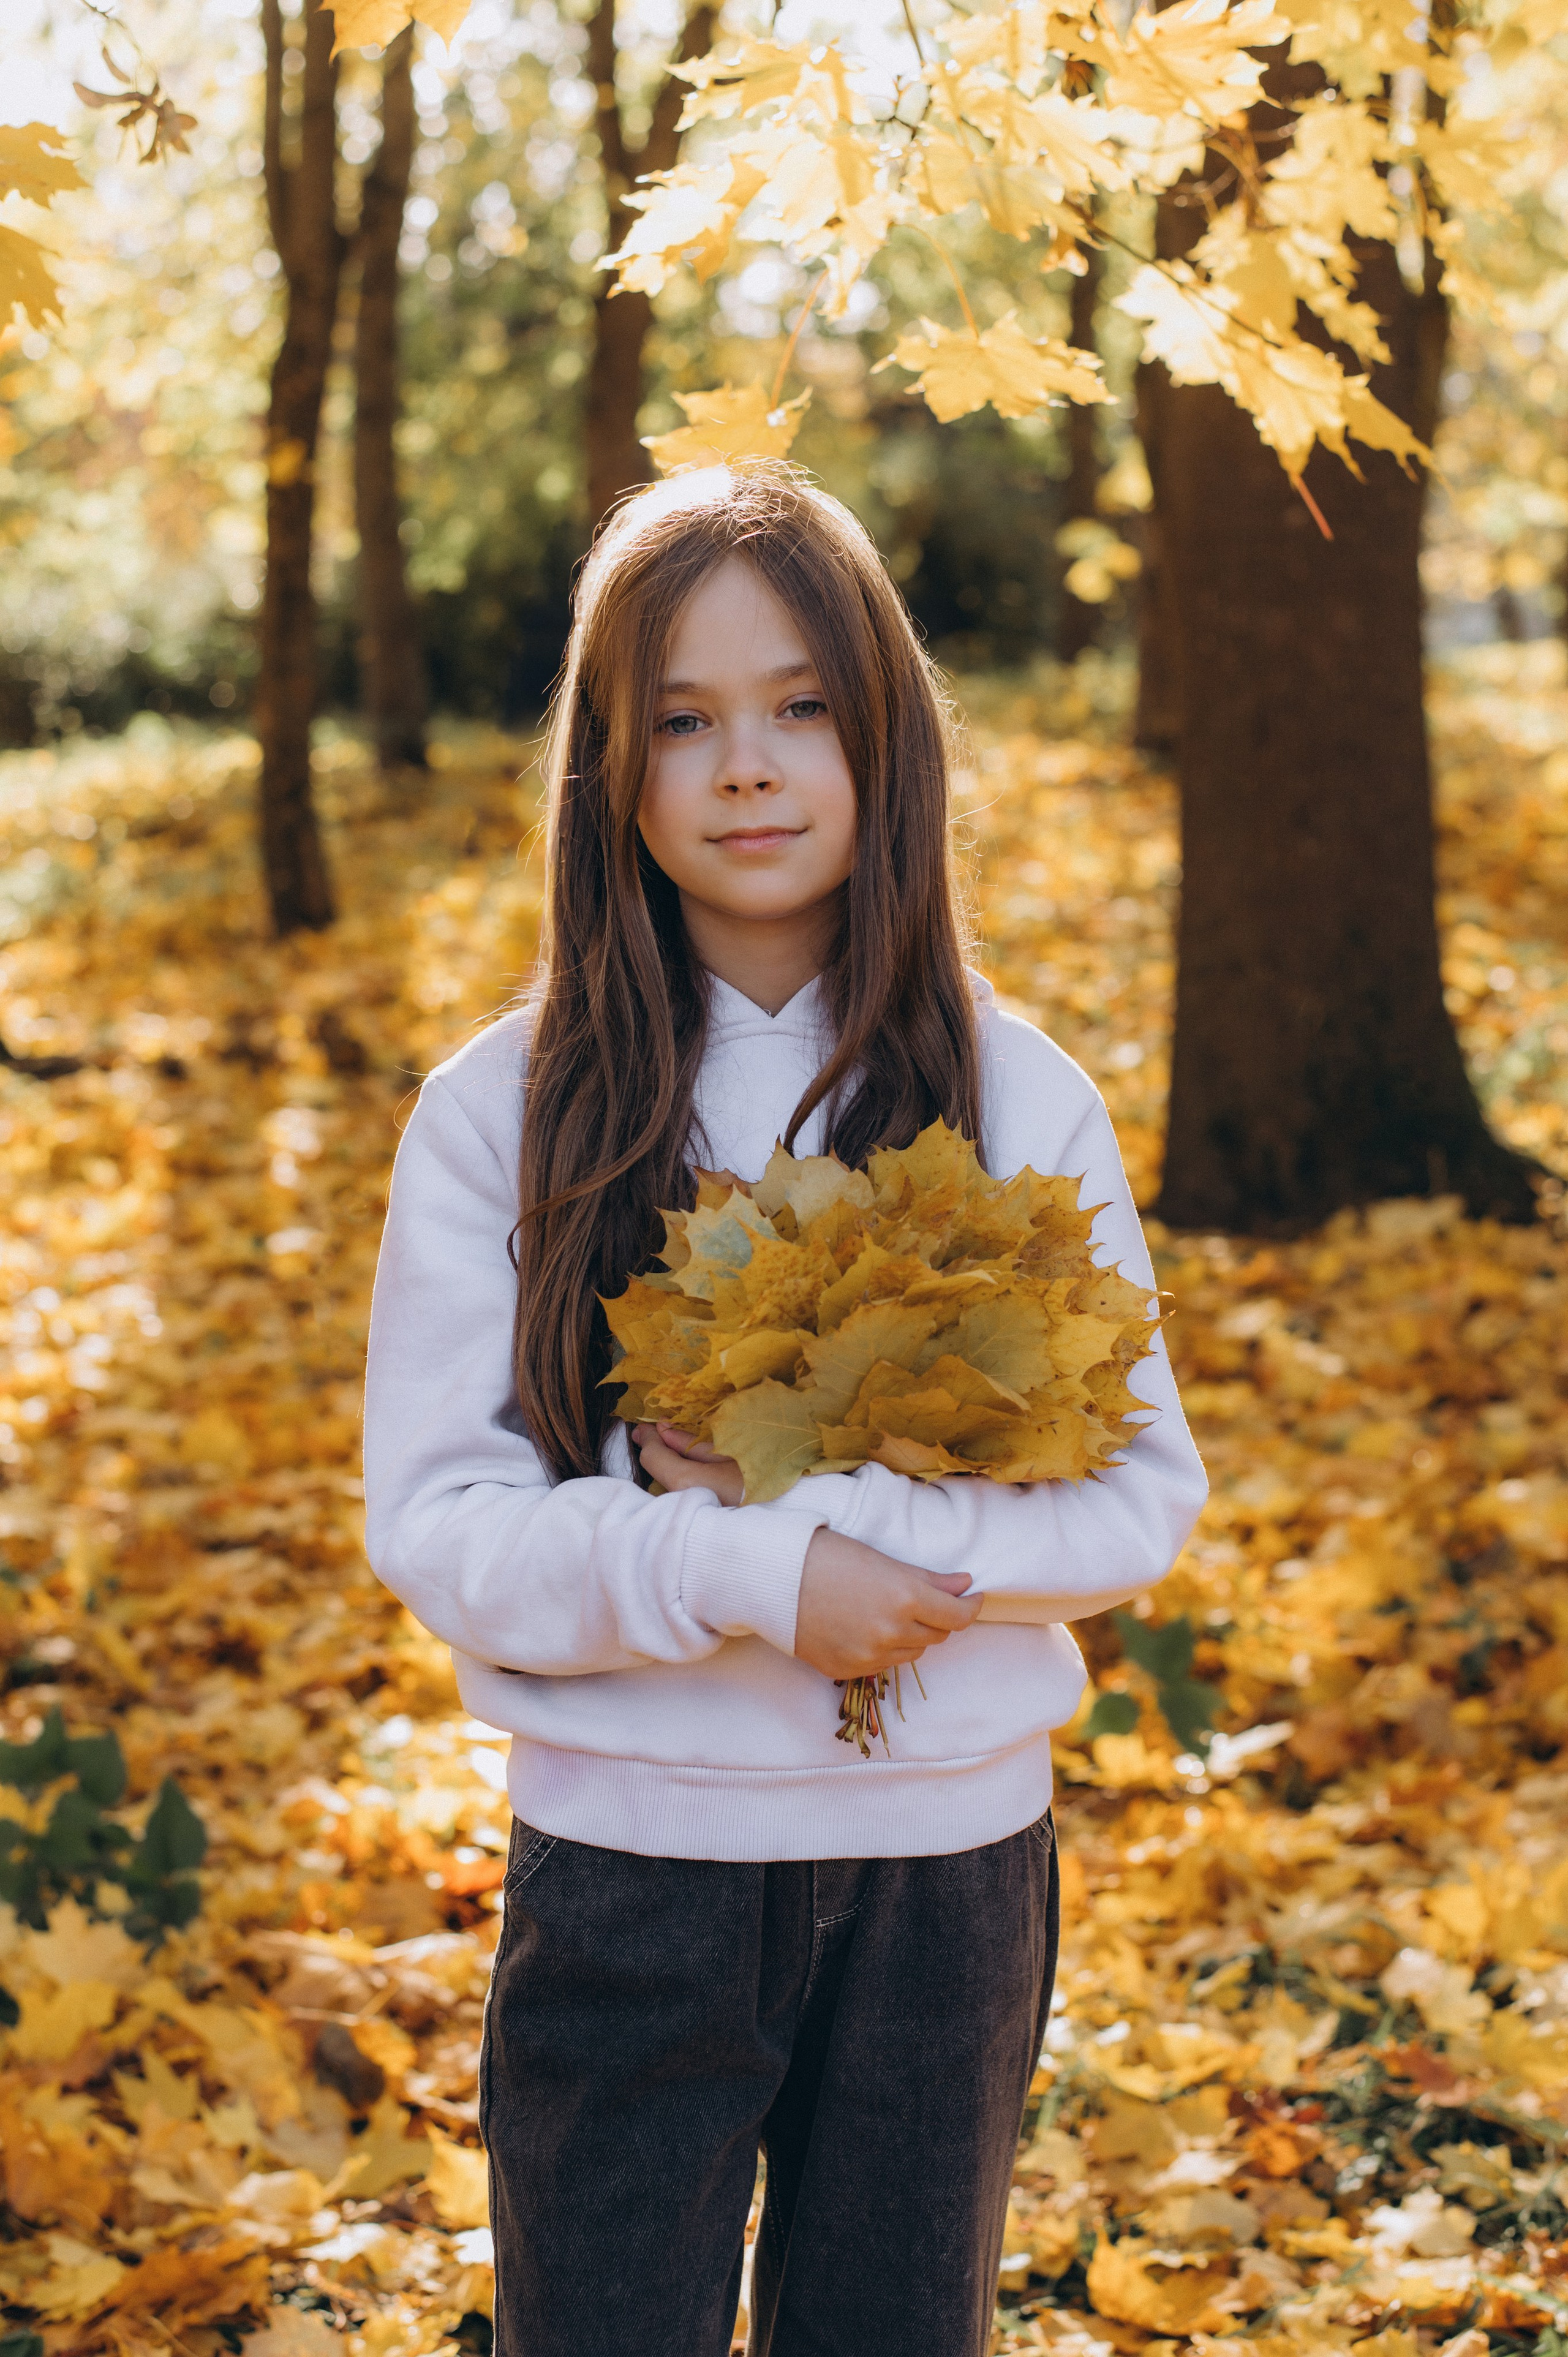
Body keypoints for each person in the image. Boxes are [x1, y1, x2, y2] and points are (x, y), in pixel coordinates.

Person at [362, 464, 1207, 2357]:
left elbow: (1140, 1496)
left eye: (801, 706)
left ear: (884, 737)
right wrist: (738, 1571)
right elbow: (440, 1522)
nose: (747, 766)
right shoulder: (504, 1112)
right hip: (635, 1867)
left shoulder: (1019, 1093)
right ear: (610, 768)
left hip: (950, 1876)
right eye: (683, 721)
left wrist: (877, 1548)